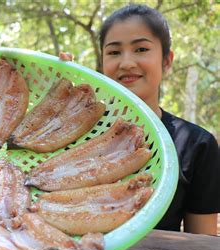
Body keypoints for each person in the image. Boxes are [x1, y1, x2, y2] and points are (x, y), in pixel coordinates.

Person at [60, 4, 219, 235]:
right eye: (114, 52)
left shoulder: (197, 145)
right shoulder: (77, 129)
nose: (126, 63)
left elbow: (201, 248)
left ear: (167, 61)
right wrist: (61, 91)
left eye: (141, 49)